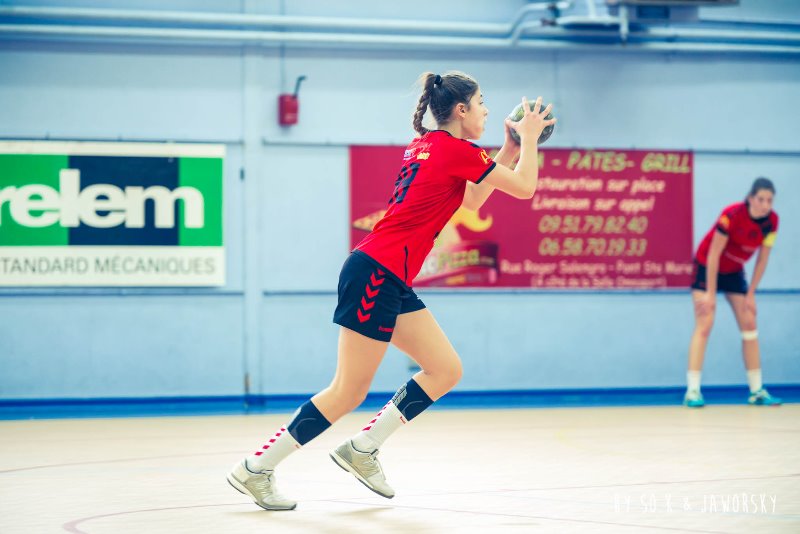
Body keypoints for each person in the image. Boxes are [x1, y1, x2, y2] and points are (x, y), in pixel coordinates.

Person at [226, 70, 556, 510]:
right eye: (481, 103)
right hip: (376, 272)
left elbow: (472, 199)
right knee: (348, 391)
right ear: (461, 110)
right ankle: (256, 467)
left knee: (445, 369)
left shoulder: (433, 146)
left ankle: (363, 447)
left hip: (386, 274)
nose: (487, 110)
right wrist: (530, 139)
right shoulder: (455, 150)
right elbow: (525, 187)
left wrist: (511, 148)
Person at [684, 177, 781, 408]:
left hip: (734, 270)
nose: (765, 205)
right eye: (761, 199)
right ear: (750, 198)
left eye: (769, 200)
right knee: (705, 322)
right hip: (707, 266)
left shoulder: (772, 222)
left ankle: (757, 391)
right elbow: (714, 255)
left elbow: (762, 259)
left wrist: (751, 293)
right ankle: (692, 392)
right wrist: (710, 293)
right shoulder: (731, 215)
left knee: (749, 322)